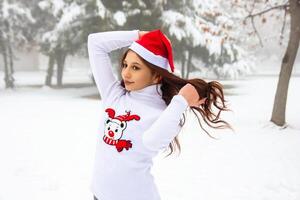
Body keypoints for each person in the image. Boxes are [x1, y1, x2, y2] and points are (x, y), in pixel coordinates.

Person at [87, 29, 231, 200]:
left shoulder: (165, 114)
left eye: (135, 67)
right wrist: (138, 35)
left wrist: (181, 101)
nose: (125, 73)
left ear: (156, 76)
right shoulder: (114, 95)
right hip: (99, 195)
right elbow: (95, 43)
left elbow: (151, 141)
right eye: (125, 65)